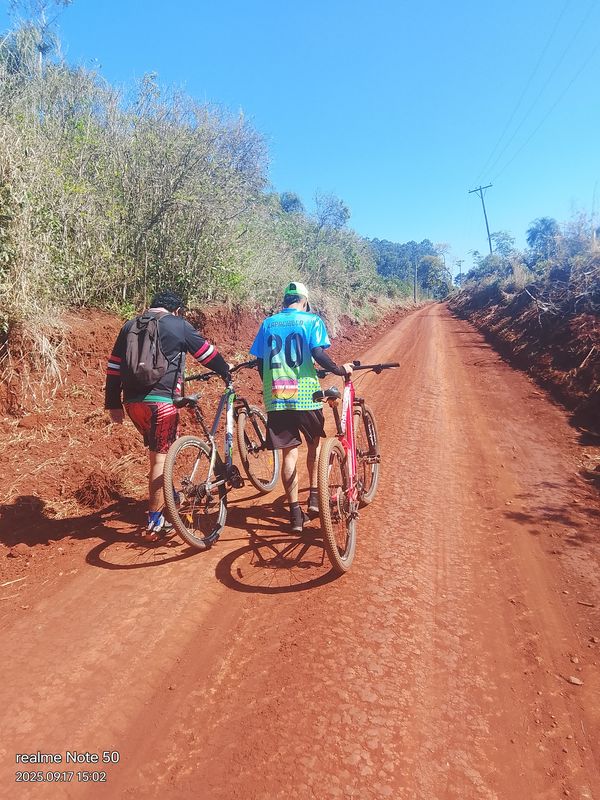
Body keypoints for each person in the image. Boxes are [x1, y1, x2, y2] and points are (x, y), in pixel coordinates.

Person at [104, 290, 231, 540]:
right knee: (160, 459)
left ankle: (169, 498)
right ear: (177, 310)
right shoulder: (178, 325)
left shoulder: (129, 326)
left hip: (132, 404)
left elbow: (114, 366)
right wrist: (225, 370)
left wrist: (113, 403)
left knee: (156, 453)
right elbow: (207, 354)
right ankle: (155, 521)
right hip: (162, 402)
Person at [250, 281, 353, 533]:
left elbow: (260, 363)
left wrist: (270, 385)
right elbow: (317, 353)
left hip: (277, 396)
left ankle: (295, 515)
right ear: (304, 301)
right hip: (307, 394)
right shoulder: (311, 320)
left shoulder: (268, 323)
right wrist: (339, 369)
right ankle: (315, 498)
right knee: (314, 446)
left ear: (284, 300)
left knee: (289, 454)